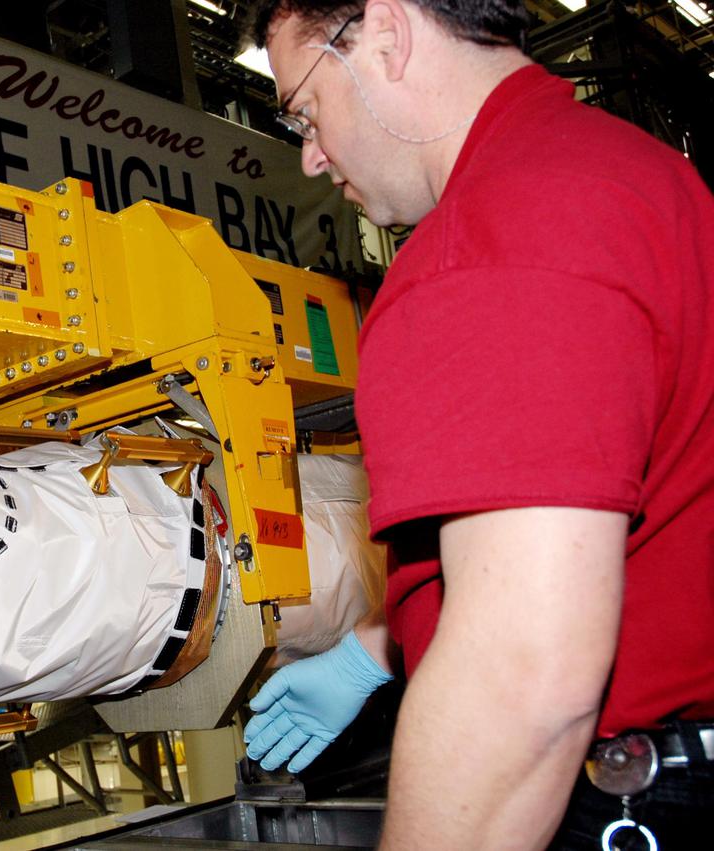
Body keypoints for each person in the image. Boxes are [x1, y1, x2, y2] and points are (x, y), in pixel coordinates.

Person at [240, 0, 714, 847]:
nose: (311, 157)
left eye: (306, 111)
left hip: (632, 798)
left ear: (384, 34)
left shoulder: (489, 243)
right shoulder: (625, 170)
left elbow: (523, 683)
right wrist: (373, 649)